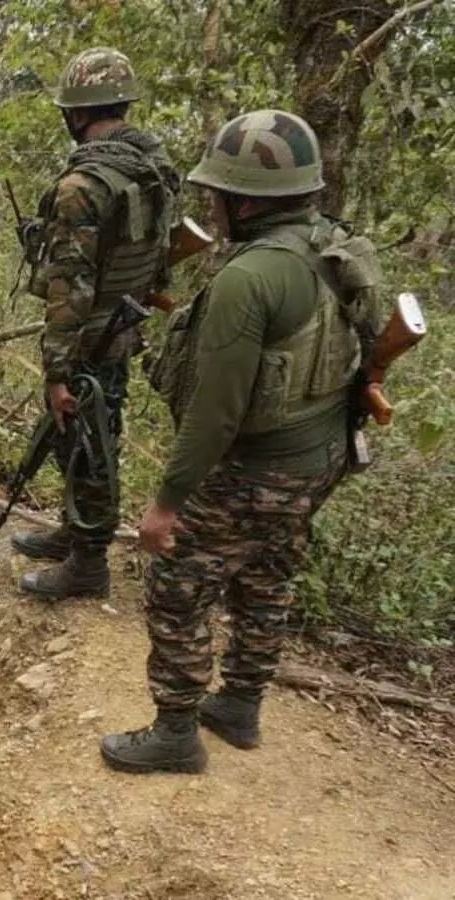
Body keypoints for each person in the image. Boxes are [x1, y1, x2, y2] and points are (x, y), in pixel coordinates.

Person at [100, 110, 372, 774]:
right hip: (322, 458)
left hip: (259, 465)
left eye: (216, 193)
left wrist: (166, 504)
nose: (210, 206)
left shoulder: (246, 280)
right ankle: (240, 706)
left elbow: (216, 414)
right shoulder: (334, 247)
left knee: (176, 584)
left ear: (247, 198)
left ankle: (175, 731)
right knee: (266, 576)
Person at [11, 47, 179, 600]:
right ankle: (73, 530)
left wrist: (56, 370)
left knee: (88, 441)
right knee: (87, 437)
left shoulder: (83, 187)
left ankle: (88, 563)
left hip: (90, 334)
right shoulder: (152, 169)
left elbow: (71, 284)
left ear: (77, 113)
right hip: (122, 324)